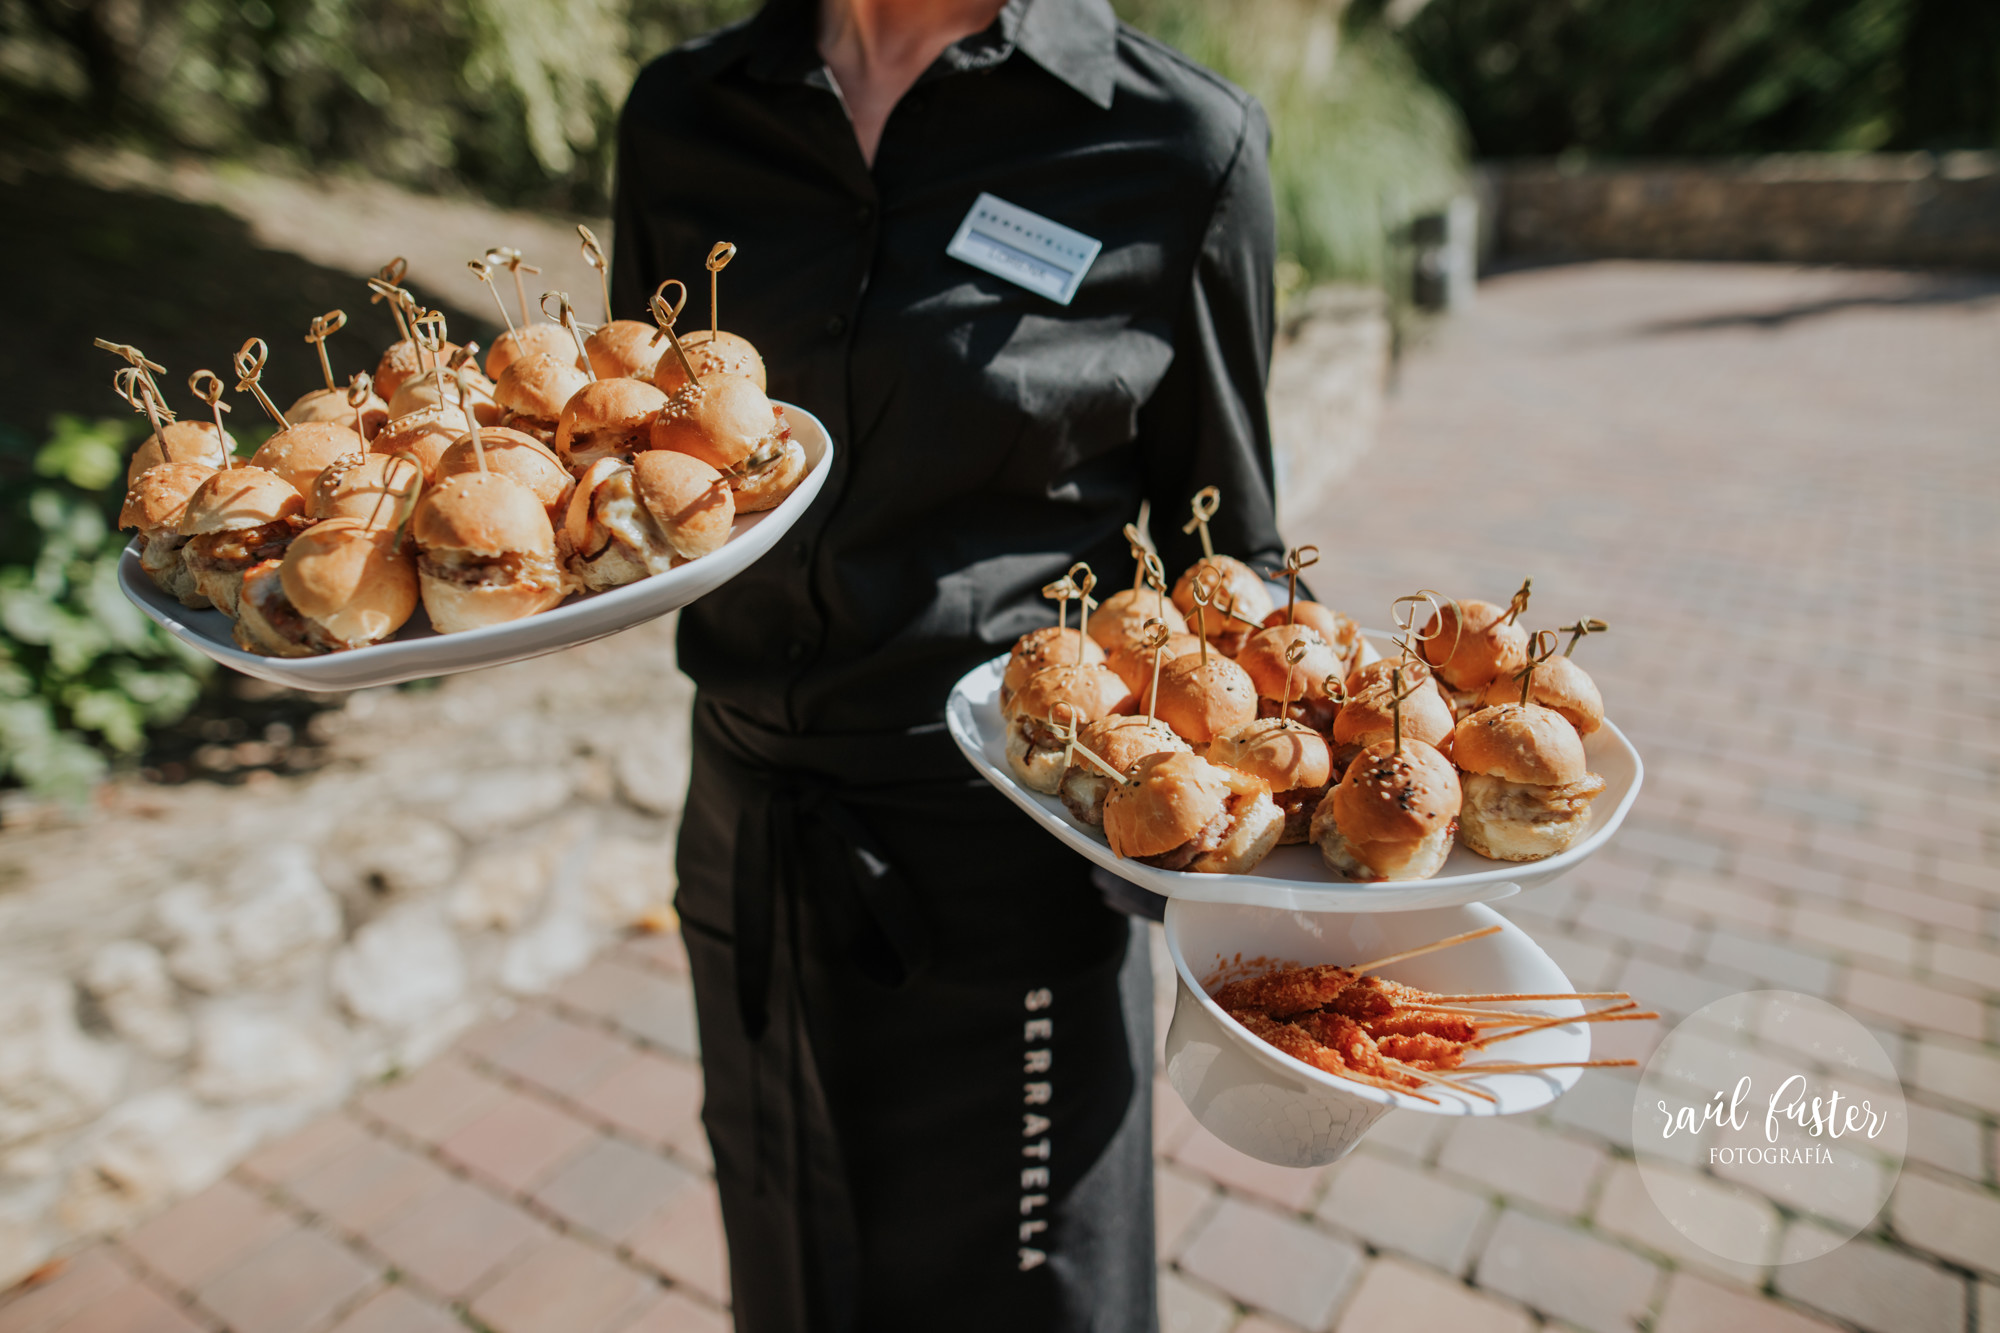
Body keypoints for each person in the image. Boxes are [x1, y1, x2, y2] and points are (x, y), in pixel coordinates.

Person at [609, 0, 1287, 1327]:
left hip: (1012, 859)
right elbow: (633, 444)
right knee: (791, 1258)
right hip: (750, 831)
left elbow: (1232, 564)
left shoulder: (1176, 144)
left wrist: (1264, 877)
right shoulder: (684, 116)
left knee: (1025, 1291)